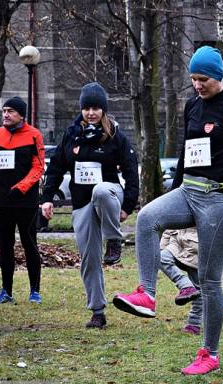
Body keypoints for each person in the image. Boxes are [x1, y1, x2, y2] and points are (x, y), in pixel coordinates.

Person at [114, 46, 223, 375]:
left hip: (218, 201)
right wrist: (175, 187)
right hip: (187, 190)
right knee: (148, 218)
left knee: (210, 281)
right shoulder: (192, 105)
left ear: (218, 76)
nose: (198, 85)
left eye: (203, 79)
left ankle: (209, 353)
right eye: (193, 79)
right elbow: (186, 151)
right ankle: (146, 295)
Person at [41, 83, 139, 328]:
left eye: (96, 108)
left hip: (110, 195)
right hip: (82, 203)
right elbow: (55, 169)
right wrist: (46, 198)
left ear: (103, 110)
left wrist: (127, 206)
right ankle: (97, 311)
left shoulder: (116, 135)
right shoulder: (71, 135)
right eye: (87, 108)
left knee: (101, 189)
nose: (91, 113)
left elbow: (131, 172)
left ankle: (114, 241)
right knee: (89, 258)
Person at [0, 97, 45, 305]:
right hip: (1, 199)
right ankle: (6, 291)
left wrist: (21, 187)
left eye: (11, 111)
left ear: (21, 115)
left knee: (28, 243)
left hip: (25, 200)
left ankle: (35, 292)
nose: (5, 114)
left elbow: (38, 167)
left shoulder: (34, 135)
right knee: (5, 245)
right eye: (4, 111)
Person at [158, 228, 204, 334]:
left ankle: (194, 324)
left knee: (198, 289)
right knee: (161, 257)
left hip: (197, 249)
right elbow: (170, 226)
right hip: (177, 245)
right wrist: (161, 249)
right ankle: (185, 286)